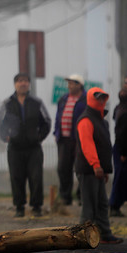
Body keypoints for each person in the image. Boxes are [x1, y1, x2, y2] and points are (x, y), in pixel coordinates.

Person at [0, 73, 51, 218]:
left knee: (36, 177)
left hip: (34, 148)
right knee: (16, 177)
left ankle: (37, 207)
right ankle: (19, 207)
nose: (23, 84)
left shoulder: (37, 102)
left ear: (29, 84)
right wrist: (4, 136)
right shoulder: (7, 103)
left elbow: (47, 121)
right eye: (20, 81)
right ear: (15, 84)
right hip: (15, 148)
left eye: (26, 81)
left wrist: (39, 137)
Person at [75, 87, 123, 244]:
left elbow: (103, 146)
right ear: (90, 99)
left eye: (103, 97)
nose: (101, 100)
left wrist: (104, 168)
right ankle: (82, 238)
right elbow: (87, 145)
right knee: (89, 206)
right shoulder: (86, 120)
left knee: (102, 203)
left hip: (97, 170)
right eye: (98, 97)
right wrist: (96, 165)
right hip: (89, 169)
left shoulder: (100, 120)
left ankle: (104, 234)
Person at [53, 74, 87, 206]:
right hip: (64, 139)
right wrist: (56, 132)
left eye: (72, 83)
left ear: (79, 85)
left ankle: (81, 196)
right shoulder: (63, 99)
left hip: (79, 139)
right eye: (69, 83)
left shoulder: (85, 99)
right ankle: (65, 197)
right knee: (63, 168)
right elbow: (58, 117)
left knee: (80, 168)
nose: (69, 86)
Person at [109, 89, 127, 217]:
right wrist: (123, 153)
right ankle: (114, 206)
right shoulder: (126, 114)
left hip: (123, 149)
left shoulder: (119, 109)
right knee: (121, 178)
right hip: (125, 151)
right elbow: (123, 135)